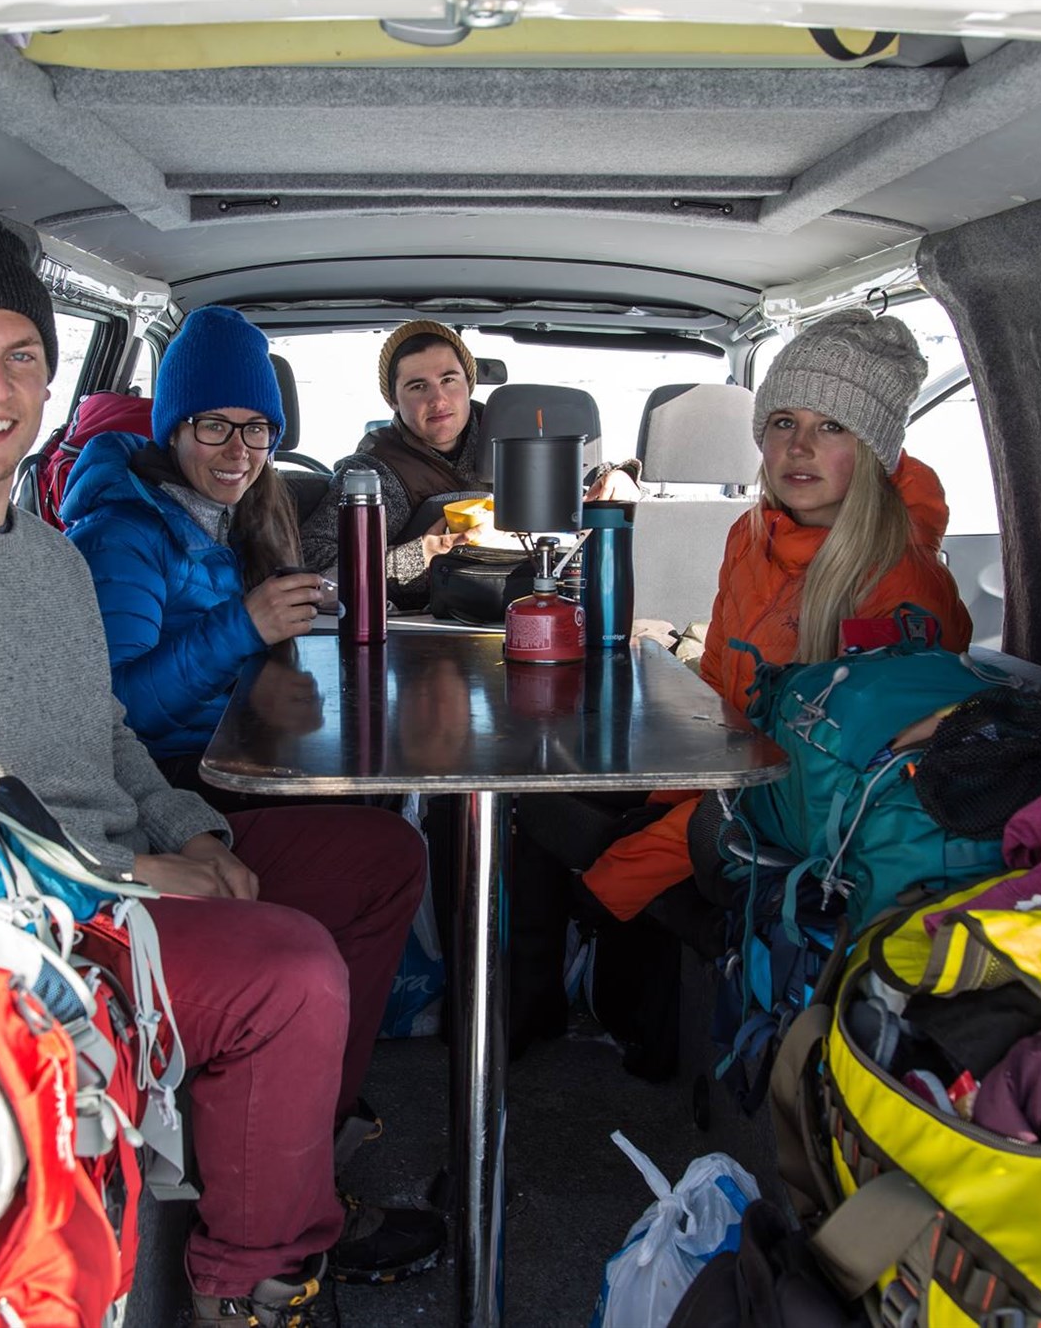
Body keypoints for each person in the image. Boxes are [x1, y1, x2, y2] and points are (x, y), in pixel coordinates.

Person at [0, 217, 441, 1328]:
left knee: (378, 858)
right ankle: (252, 1283)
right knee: (289, 971)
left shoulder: (45, 551)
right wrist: (127, 875)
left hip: (111, 860)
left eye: (22, 356)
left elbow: (108, 725)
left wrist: (191, 830)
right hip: (20, 923)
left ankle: (289, 1147)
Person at [512, 308, 973, 1070]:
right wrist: (649, 759)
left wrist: (631, 860)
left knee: (575, 839)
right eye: (784, 421)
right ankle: (525, 1018)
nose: (799, 446)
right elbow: (720, 688)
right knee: (541, 785)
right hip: (726, 777)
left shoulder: (899, 583)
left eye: (832, 426)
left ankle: (569, 1021)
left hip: (793, 825)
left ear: (876, 449)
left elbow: (836, 789)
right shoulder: (752, 533)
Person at [60, 306, 327, 795]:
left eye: (256, 428)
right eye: (214, 425)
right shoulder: (119, 536)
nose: (239, 450)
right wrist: (244, 626)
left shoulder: (239, 516)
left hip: (232, 740)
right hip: (166, 778)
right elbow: (116, 714)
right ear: (174, 430)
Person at [297, 319, 492, 607]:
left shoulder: (517, 448)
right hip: (416, 625)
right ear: (393, 400)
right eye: (418, 386)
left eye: (448, 380)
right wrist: (420, 557)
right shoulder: (374, 470)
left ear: (468, 384)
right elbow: (312, 555)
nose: (438, 400)